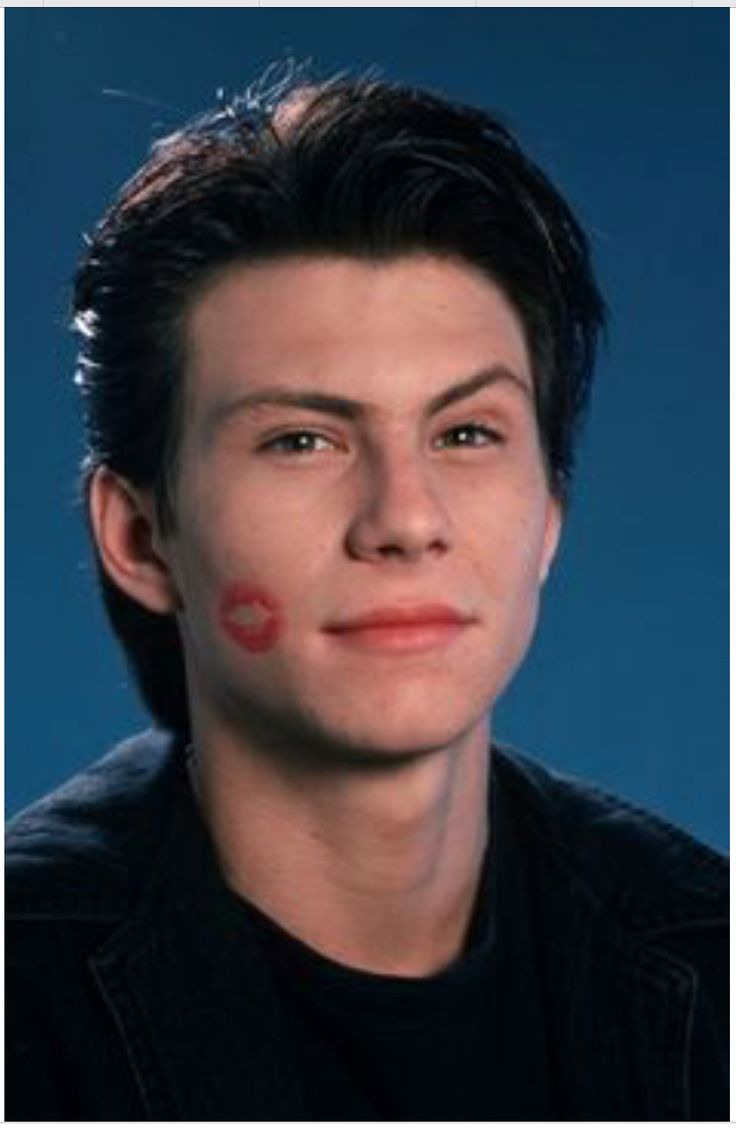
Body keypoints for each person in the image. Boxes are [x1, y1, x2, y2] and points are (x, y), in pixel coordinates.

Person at [6, 72, 728, 1122]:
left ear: (549, 518)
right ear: (137, 535)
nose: (404, 517)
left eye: (466, 434)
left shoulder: (709, 950)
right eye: (301, 440)